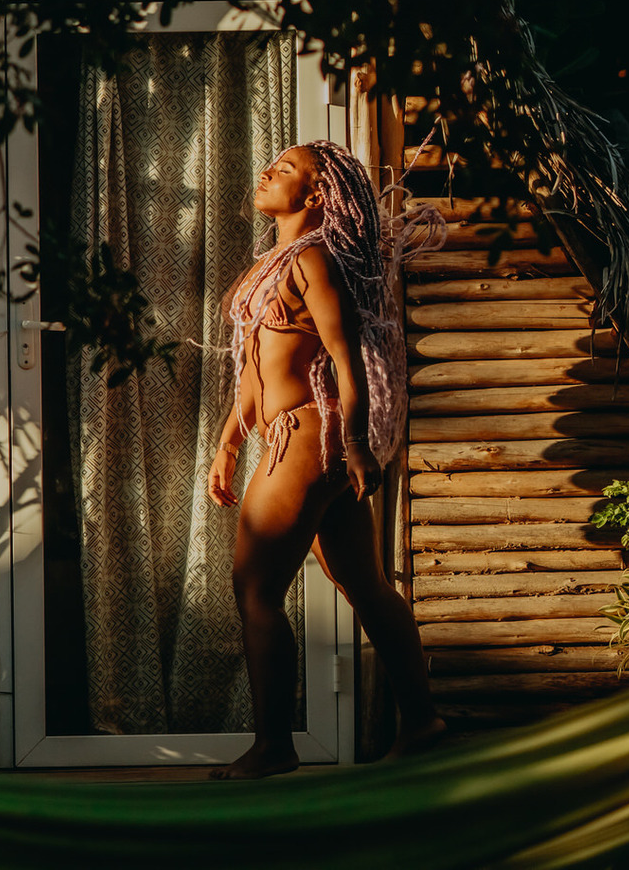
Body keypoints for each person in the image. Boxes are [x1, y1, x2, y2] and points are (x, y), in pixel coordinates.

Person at [208, 140, 443, 779]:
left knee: (255, 588)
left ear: (315, 195)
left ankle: (274, 745)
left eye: (283, 170)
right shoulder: (274, 263)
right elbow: (255, 366)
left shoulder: (313, 259)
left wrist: (359, 445)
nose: (264, 172)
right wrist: (231, 436)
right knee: (363, 584)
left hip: (310, 438)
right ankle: (422, 722)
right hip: (299, 437)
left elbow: (346, 357)